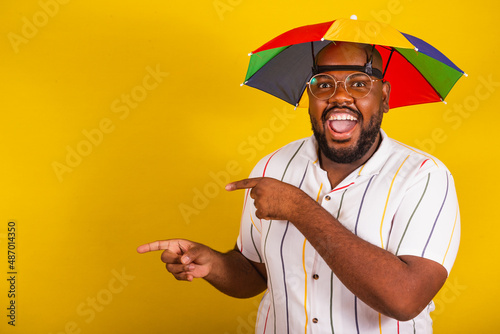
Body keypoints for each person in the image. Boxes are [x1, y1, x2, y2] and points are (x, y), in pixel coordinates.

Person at [137, 42, 460, 333]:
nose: (340, 96)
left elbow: (405, 300)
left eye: (359, 84)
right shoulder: (272, 167)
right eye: (323, 84)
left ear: (385, 96)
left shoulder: (424, 176)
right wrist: (212, 264)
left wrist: (299, 208)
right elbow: (255, 271)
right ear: (309, 96)